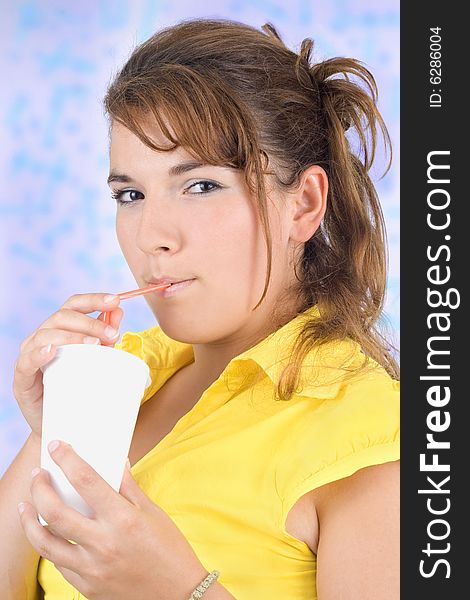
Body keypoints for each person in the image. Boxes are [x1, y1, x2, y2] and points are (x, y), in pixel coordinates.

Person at [0, 17, 399, 600]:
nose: (152, 235)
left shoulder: (373, 438)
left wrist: (177, 591)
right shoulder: (125, 374)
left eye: (201, 185)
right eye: (130, 195)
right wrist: (55, 432)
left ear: (304, 204)